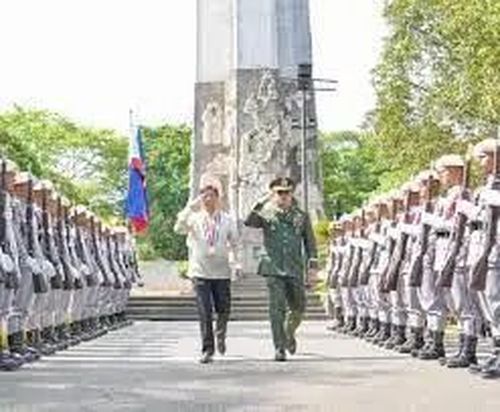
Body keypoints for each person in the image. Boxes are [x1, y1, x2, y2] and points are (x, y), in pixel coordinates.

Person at [244, 177, 318, 362]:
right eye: (279, 193)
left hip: (294, 267)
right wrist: (262, 200)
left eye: (287, 192)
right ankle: (279, 347)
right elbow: (249, 221)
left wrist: (312, 268)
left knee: (299, 307)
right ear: (274, 194)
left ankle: (288, 332)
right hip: (273, 267)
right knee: (276, 309)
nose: (283, 196)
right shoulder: (266, 213)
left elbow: (310, 243)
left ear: (292, 194)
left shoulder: (301, 216)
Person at [174, 181, 241, 364]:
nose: (208, 199)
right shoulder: (194, 218)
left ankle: (221, 332)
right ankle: (207, 349)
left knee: (223, 308)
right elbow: (178, 228)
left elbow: (235, 242)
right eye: (205, 196)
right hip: (200, 271)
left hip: (221, 272)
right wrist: (189, 207)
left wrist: (236, 262)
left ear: (218, 199)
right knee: (204, 311)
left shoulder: (227, 219)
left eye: (212, 196)